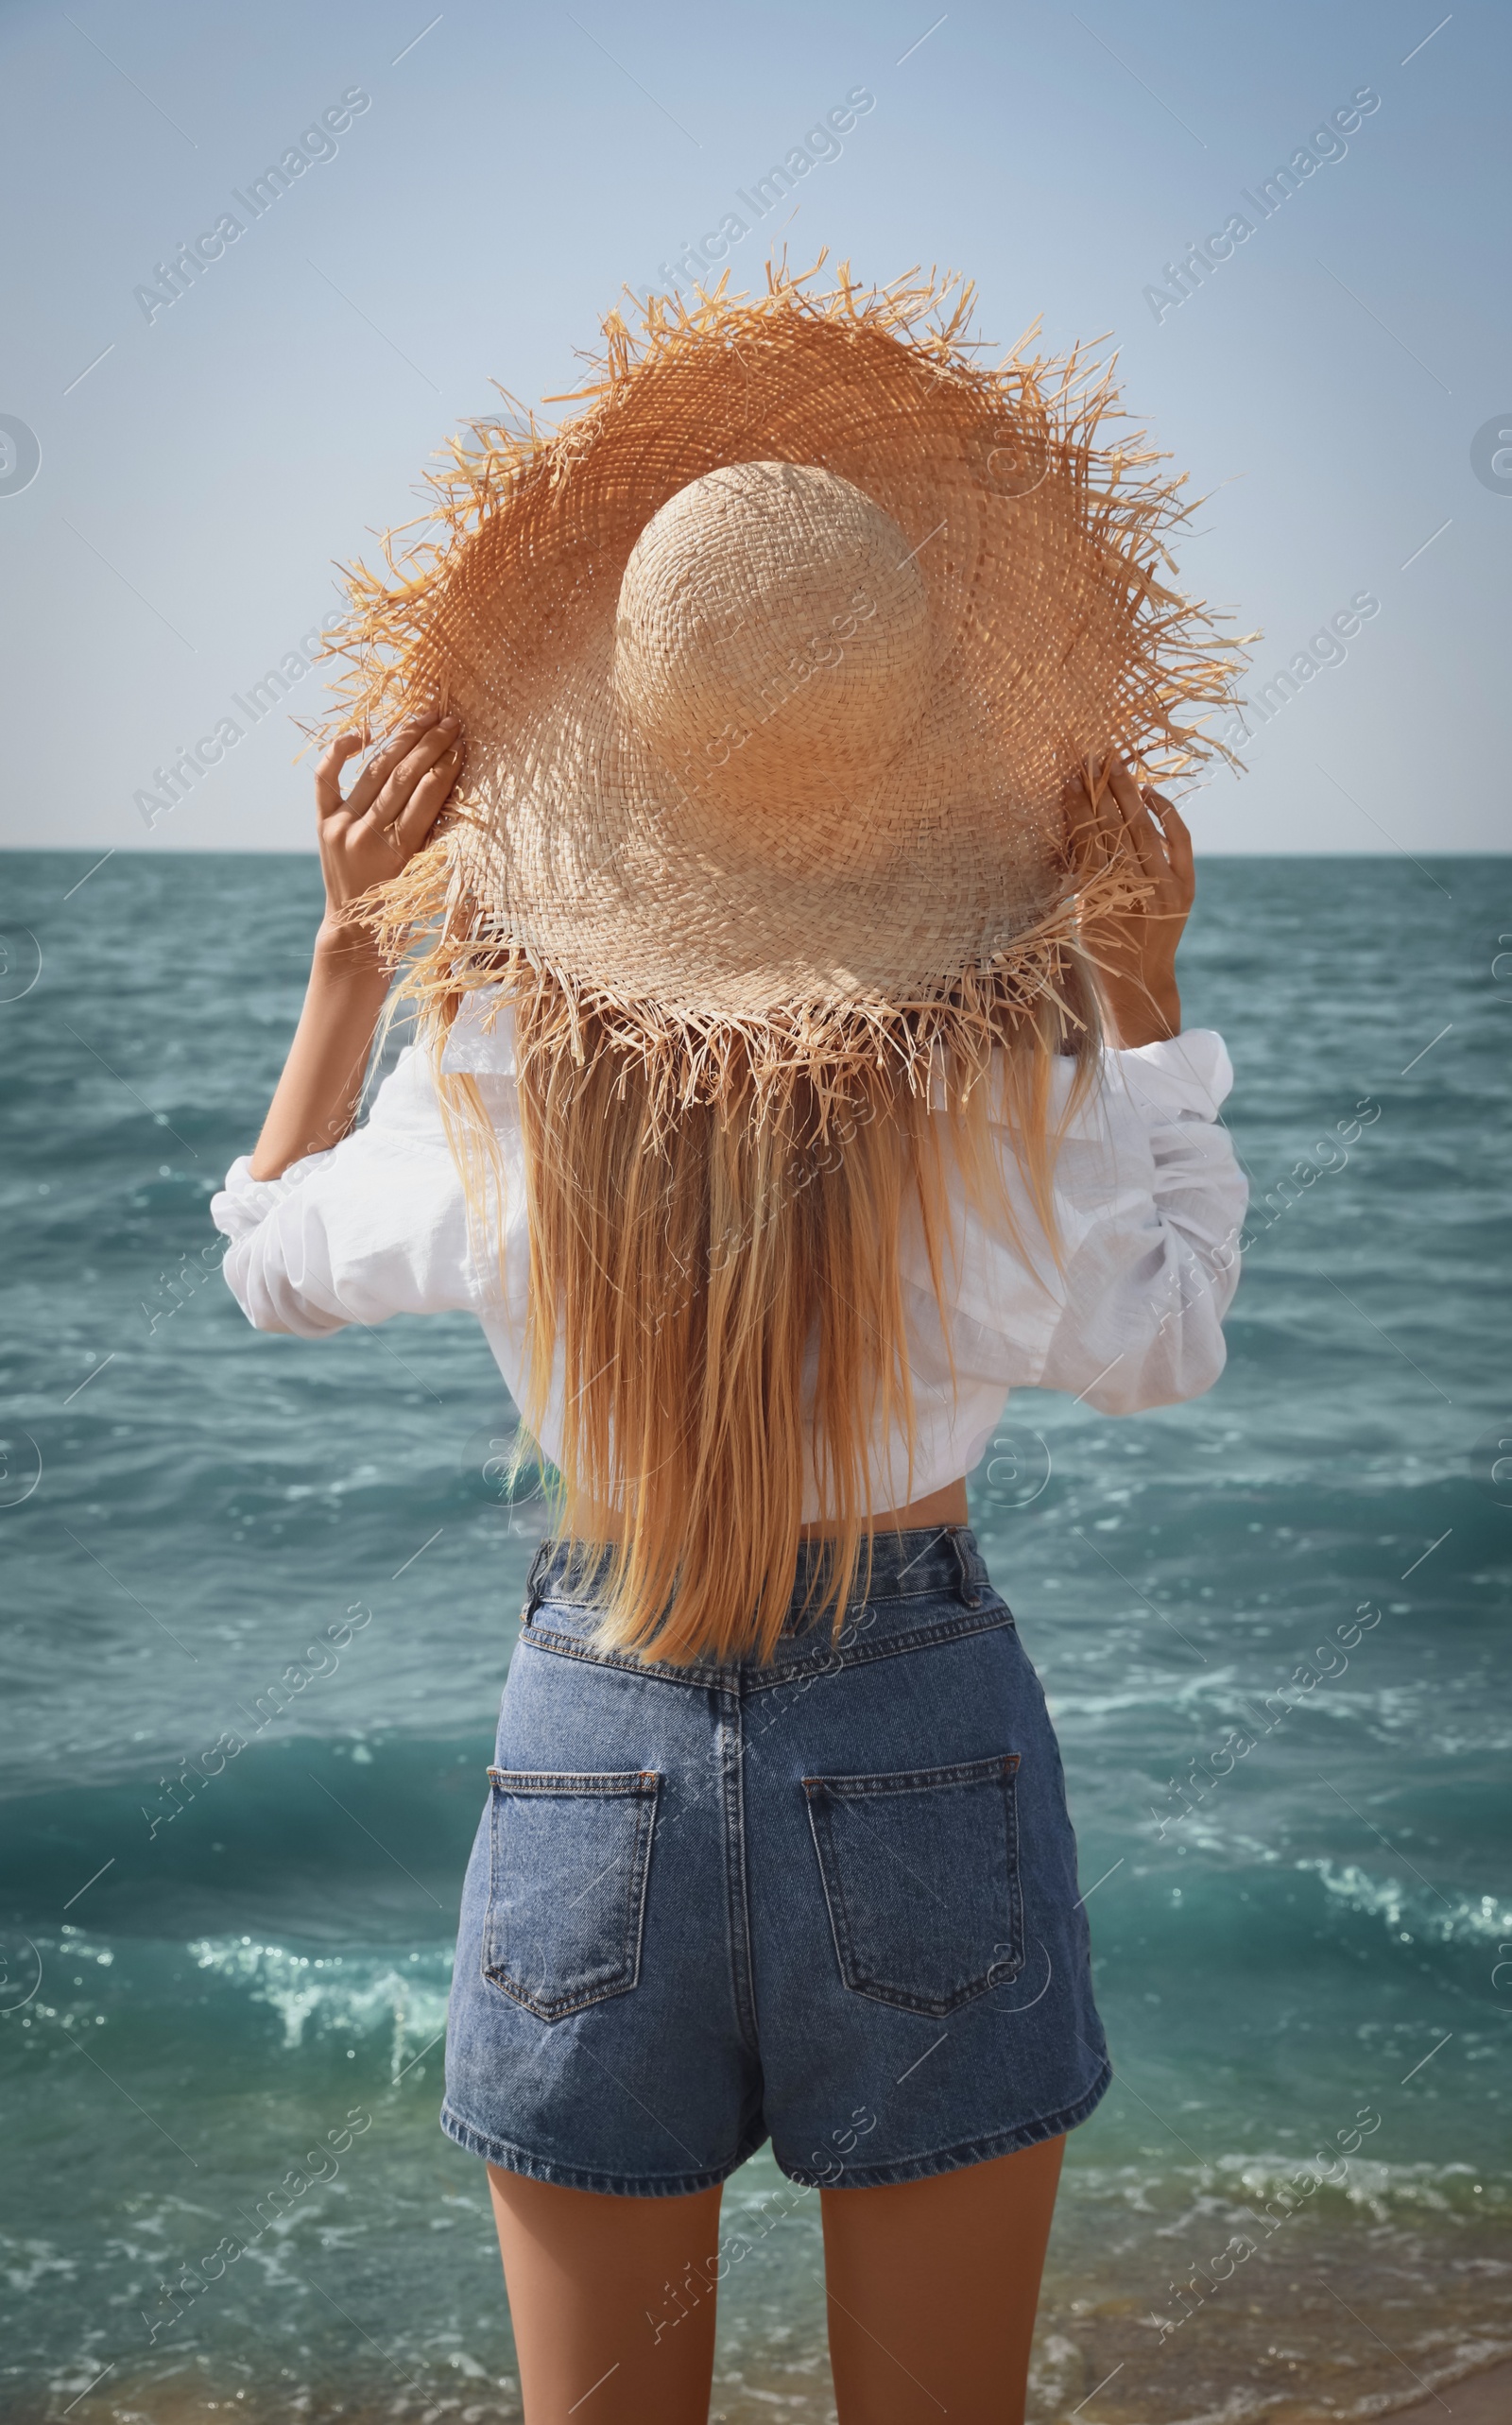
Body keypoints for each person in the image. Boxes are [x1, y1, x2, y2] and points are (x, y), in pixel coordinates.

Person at [212, 267, 1247, 2424]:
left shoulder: (492, 1071)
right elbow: (1161, 1344)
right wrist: (1144, 1011)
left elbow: (267, 1262)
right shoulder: (994, 1073)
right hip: (919, 1726)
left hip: (594, 1733)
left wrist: (337, 959)